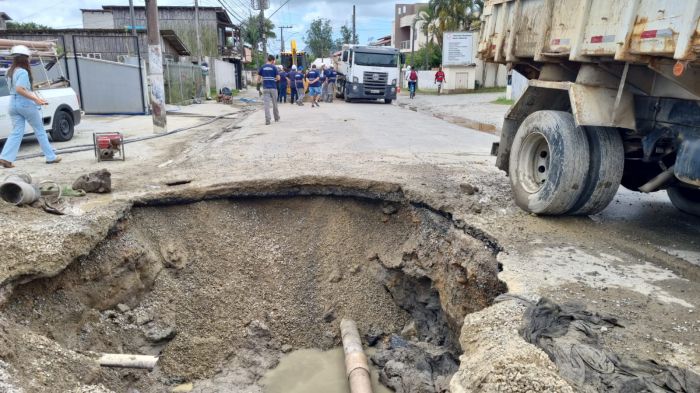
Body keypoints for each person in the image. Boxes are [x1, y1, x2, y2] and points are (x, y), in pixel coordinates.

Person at [0, 45, 61, 168]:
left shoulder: (9, 72)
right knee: (40, 130)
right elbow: (20, 89)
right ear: (24, 58)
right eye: (28, 57)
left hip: (13, 103)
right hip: (25, 103)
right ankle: (51, 157)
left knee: (17, 131)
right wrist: (36, 99)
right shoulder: (22, 72)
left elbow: (16, 90)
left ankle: (5, 158)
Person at [257, 55, 280, 125]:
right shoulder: (274, 67)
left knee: (266, 105)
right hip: (273, 88)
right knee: (275, 104)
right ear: (272, 60)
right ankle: (276, 118)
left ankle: (267, 120)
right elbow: (278, 78)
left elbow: (258, 80)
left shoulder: (262, 67)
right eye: (274, 61)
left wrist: (261, 83)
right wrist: (274, 79)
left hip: (265, 88)